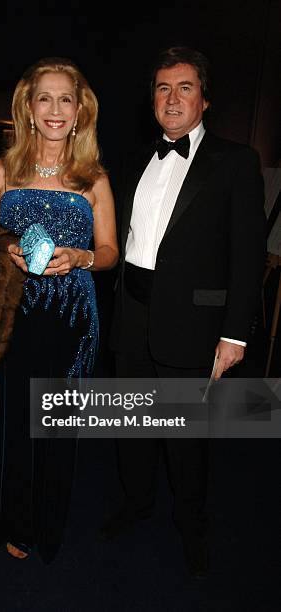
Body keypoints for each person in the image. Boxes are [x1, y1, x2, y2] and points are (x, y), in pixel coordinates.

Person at [104, 47, 266, 578]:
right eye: (162, 88)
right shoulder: (134, 159)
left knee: (187, 439)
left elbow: (248, 256)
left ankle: (192, 524)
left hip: (194, 325)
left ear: (205, 99)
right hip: (131, 315)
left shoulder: (236, 161)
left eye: (184, 88)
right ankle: (136, 502)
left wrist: (235, 335)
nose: (171, 99)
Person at [0, 57, 118, 562]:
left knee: (55, 424)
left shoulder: (94, 178)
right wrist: (3, 249)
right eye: (44, 98)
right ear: (28, 109)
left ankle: (46, 520)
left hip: (71, 319)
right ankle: (13, 520)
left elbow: (109, 253)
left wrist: (82, 257)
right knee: (15, 419)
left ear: (79, 111)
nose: (55, 109)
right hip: (14, 314)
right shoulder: (2, 170)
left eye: (65, 99)